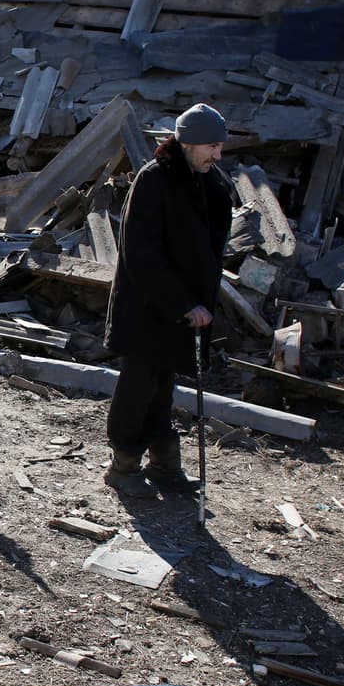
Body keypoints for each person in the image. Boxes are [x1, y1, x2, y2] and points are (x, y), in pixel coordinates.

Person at [102, 103, 236, 498]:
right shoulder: (153, 181)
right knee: (138, 386)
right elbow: (141, 255)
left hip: (183, 312)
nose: (218, 155)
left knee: (164, 387)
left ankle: (164, 465)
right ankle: (123, 464)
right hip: (148, 307)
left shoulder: (206, 181)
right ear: (189, 143)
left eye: (220, 147)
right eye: (212, 146)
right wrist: (182, 304)